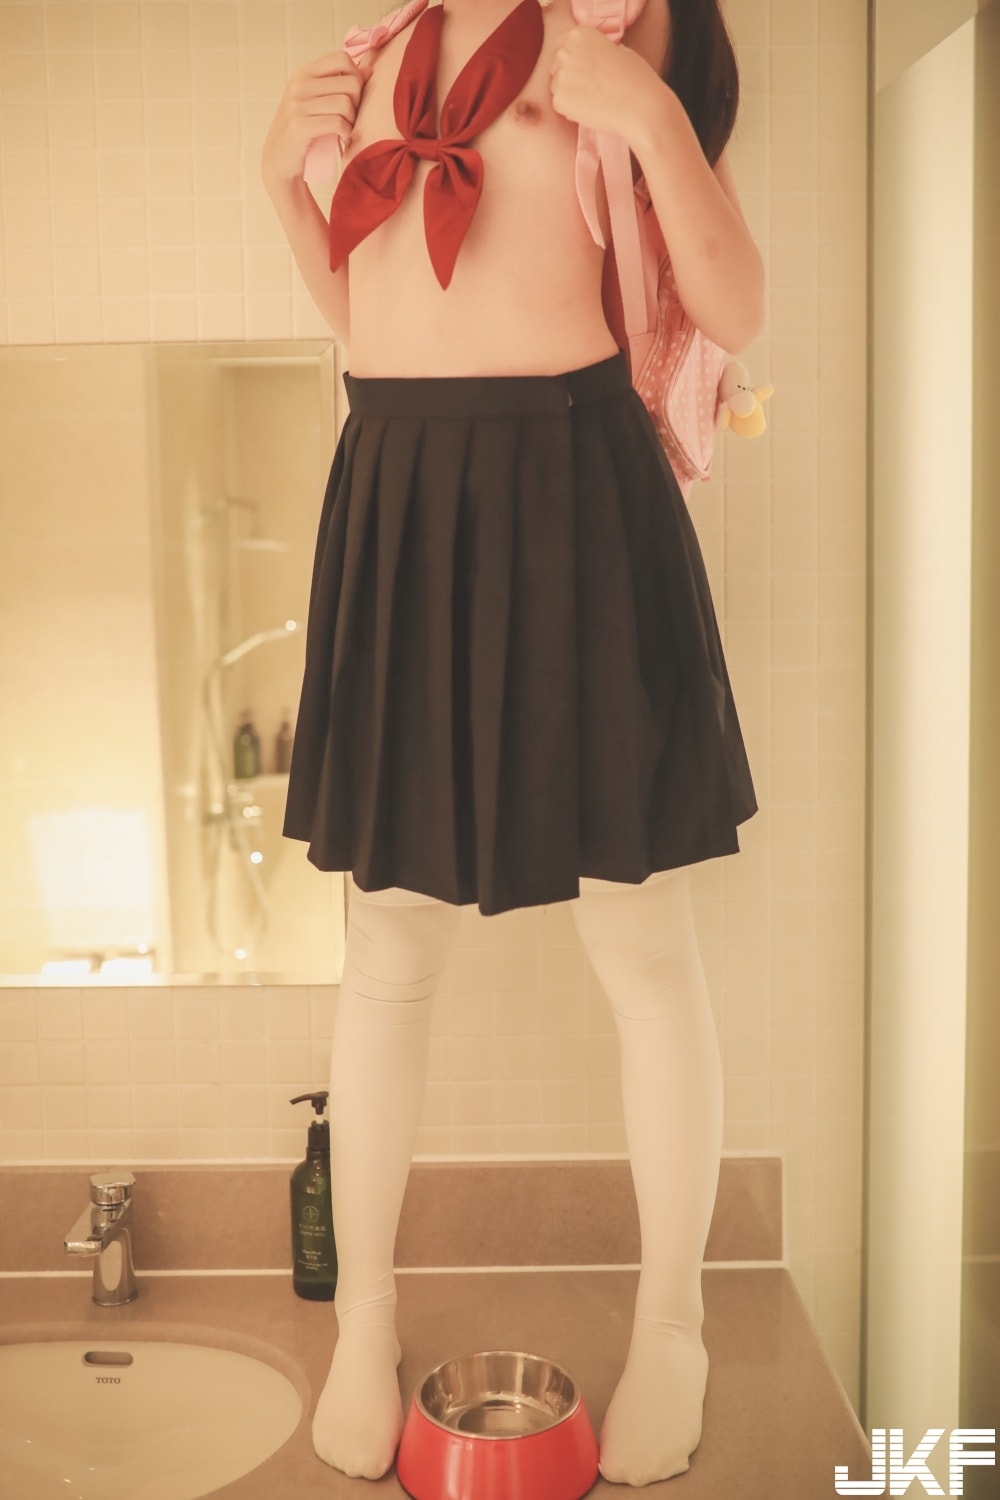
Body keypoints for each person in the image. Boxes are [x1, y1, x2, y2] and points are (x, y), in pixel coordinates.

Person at [262, 0, 763, 1484]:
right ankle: (364, 1324)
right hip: (397, 491)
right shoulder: (378, 54)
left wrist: (649, 112)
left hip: (573, 486)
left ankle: (674, 1324)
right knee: (386, 941)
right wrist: (276, 178)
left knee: (641, 936)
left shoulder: (619, 21)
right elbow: (362, 316)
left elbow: (735, 303)